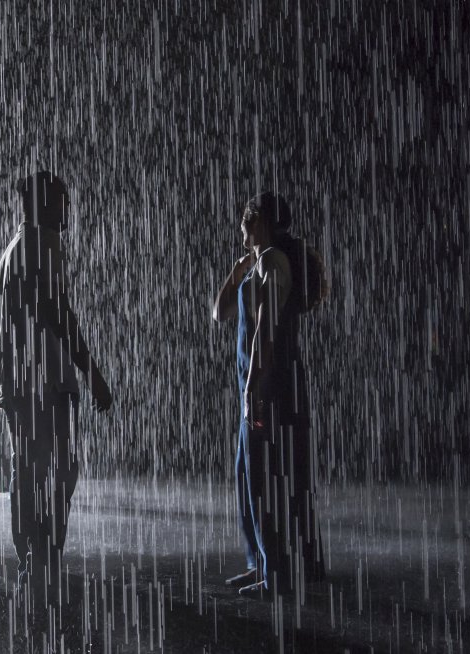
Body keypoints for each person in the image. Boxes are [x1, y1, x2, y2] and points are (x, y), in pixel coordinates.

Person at [0, 170, 113, 613]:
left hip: (21, 382)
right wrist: (92, 372)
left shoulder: (13, 249)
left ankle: (35, 565)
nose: (68, 213)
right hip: (41, 382)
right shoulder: (41, 247)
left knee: (33, 473)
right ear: (42, 205)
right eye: (62, 203)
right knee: (56, 473)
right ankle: (40, 566)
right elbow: (58, 313)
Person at [213, 192, 326, 596]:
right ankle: (260, 562)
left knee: (266, 479)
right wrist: (237, 269)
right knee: (248, 473)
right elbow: (219, 312)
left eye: (244, 222)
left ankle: (276, 573)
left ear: (256, 221)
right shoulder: (258, 265)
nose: (240, 230)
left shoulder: (274, 262)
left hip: (271, 386)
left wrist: (252, 389)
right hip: (261, 383)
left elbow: (267, 330)